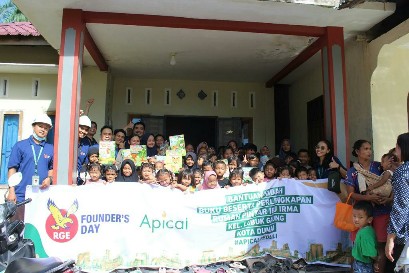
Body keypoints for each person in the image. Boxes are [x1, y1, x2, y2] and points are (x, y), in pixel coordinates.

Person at [344, 139, 391, 273]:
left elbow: (389, 181)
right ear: (357, 151)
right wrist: (368, 198)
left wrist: (385, 199)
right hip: (361, 213)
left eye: (370, 148)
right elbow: (351, 194)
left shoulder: (378, 167)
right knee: (357, 244)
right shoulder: (352, 171)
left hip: (381, 210)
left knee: (380, 244)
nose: (369, 151)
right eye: (365, 149)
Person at [7, 114, 54, 220]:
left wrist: (49, 179)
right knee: (17, 230)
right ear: (34, 126)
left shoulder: (50, 148)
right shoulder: (20, 146)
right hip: (20, 196)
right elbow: (12, 169)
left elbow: (52, 168)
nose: (43, 129)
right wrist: (11, 191)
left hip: (41, 197)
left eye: (46, 128)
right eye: (40, 126)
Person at [385, 133, 409, 270]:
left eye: (397, 146)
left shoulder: (403, 172)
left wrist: (390, 238)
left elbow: (401, 206)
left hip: (405, 235)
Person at [352, 201, 378, 273]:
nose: (356, 219)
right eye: (354, 216)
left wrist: (377, 260)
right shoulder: (364, 230)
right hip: (361, 263)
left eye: (360, 217)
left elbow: (371, 253)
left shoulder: (365, 234)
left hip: (363, 265)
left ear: (369, 220)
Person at [77, 115, 92, 185]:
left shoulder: (86, 143)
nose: (83, 131)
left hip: (79, 178)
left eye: (86, 130)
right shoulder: (69, 140)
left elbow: (86, 162)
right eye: (82, 128)